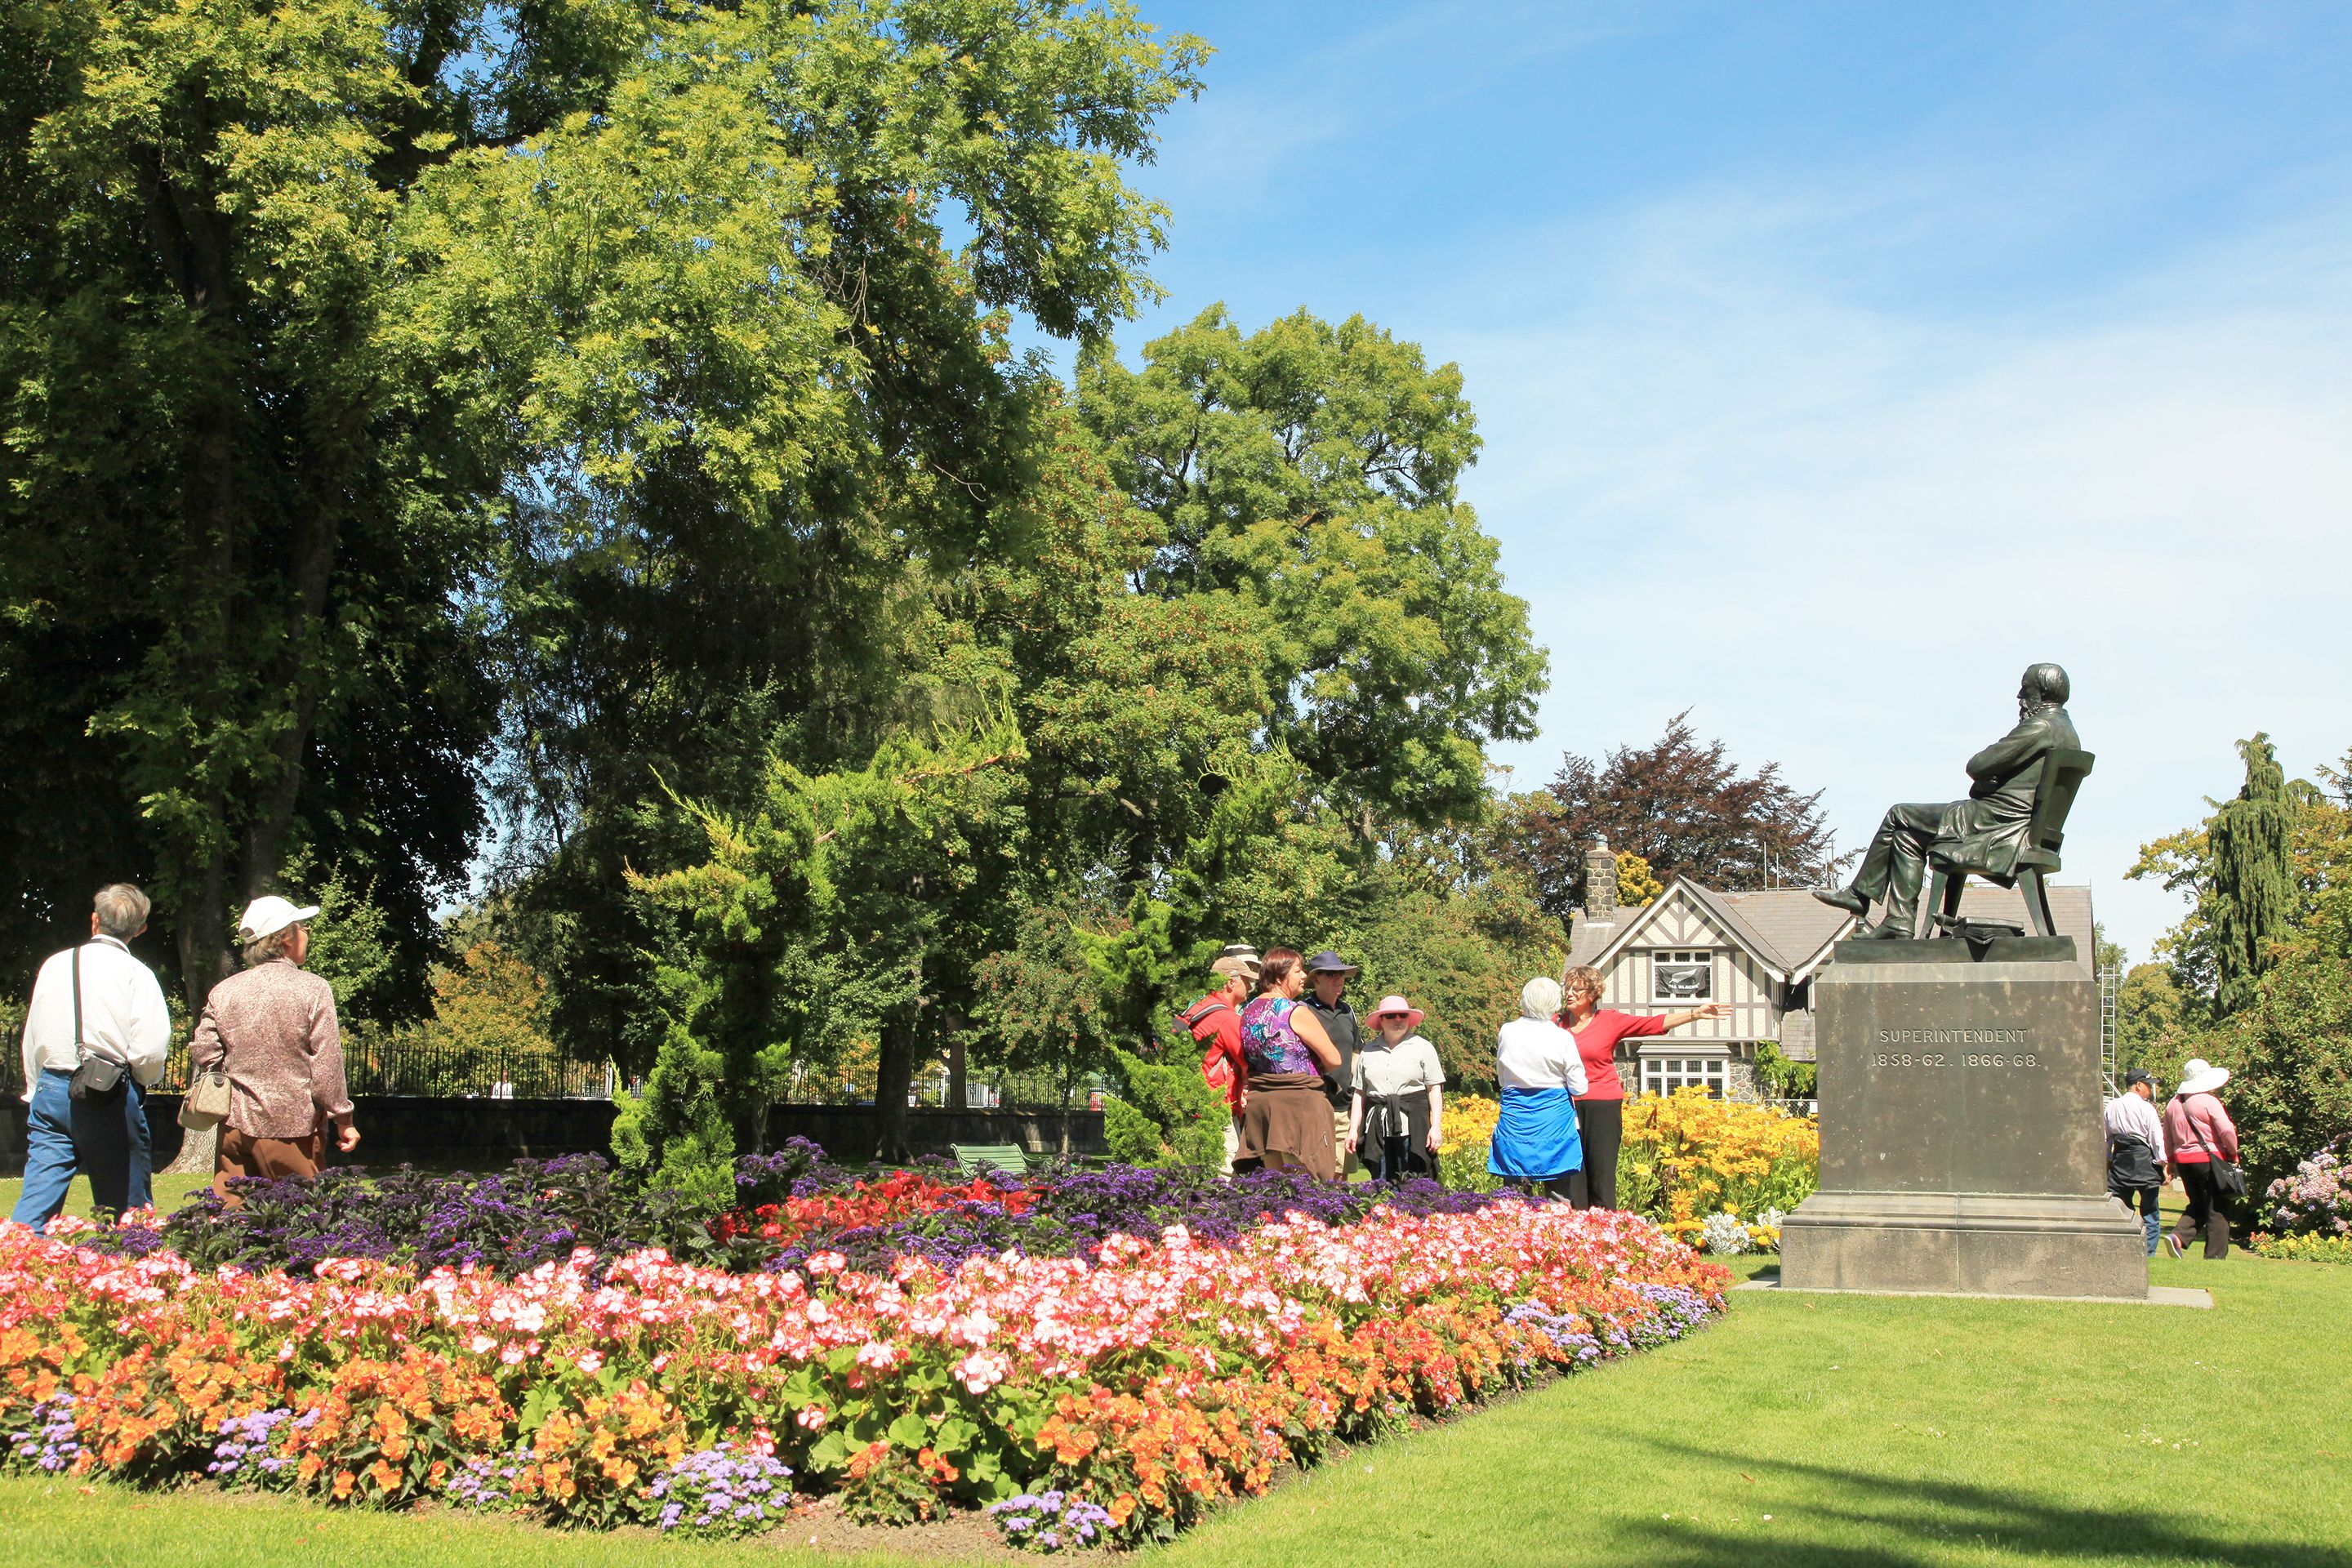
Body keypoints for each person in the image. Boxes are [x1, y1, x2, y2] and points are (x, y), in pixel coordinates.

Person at [1815, 663, 2079, 938]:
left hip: (1995, 822)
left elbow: (1978, 764)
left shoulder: (2040, 727)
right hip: (2009, 819)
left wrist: (1987, 780)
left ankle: (1860, 895)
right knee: (1907, 836)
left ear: (2043, 693)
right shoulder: (2066, 730)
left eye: (2026, 690)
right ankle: (1898, 921)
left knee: (1899, 815)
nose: (2019, 697)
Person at [10, 884, 172, 1224]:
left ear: (95, 920)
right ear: (140, 929)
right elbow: (150, 1050)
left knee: (36, 1202)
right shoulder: (138, 975)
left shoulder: (55, 965)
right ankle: (123, 1268)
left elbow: (34, 1033)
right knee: (125, 1212)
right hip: (109, 1091)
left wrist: (35, 1086)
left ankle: (15, 1266)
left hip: (52, 1088)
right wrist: (139, 1083)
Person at [190, 895, 360, 1199]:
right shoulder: (313, 988)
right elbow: (327, 1066)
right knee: (302, 1223)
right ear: (285, 938)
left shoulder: (225, 990)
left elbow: (204, 1050)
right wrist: (343, 1119)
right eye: (303, 927)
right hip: (291, 1129)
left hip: (234, 1127)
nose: (307, 933)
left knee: (232, 1224)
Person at [1557, 965, 1730, 1210]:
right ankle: (1578, 1235)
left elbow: (1653, 1024)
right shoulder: (1555, 1024)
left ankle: (1606, 1233)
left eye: (1577, 989)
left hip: (1602, 1105)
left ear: (1593, 994)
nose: (1569, 994)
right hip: (1566, 1106)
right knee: (1573, 1174)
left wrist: (1695, 1013)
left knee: (1601, 1175)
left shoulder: (1609, 1021)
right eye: (1567, 988)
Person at [1234, 947, 1343, 1179]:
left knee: (1275, 1183)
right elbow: (1334, 1059)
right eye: (1298, 970)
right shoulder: (1294, 1011)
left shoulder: (1248, 1011)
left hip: (1263, 1108)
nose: (1304, 976)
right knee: (1308, 1183)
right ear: (1280, 975)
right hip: (1298, 1107)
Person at [1489, 978, 1590, 1197]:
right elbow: (1579, 1087)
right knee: (1558, 1195)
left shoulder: (1507, 1031)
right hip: (1554, 1122)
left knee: (1514, 1196)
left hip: (1516, 1117)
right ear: (1555, 1004)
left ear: (1524, 1001)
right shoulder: (1562, 1037)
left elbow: (1502, 1077)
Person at [1348, 995, 1446, 1182]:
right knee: (1381, 1182)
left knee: (1414, 1181)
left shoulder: (1423, 1048)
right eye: (1392, 1015)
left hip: (1413, 1126)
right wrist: (1353, 1129)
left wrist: (1436, 1127)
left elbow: (1435, 1089)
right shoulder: (1368, 1051)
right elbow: (1359, 1093)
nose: (1398, 1020)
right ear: (1381, 1021)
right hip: (1377, 1128)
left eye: (1403, 1015)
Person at [1179, 945, 1258, 1172]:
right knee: (1221, 1180)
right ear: (1230, 982)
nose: (1250, 986)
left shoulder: (1195, 1010)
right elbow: (1249, 1063)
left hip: (1190, 1105)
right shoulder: (1227, 1018)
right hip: (1217, 1109)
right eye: (1246, 979)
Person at [2163, 1058, 2238, 1260]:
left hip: (2183, 1161)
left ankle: (2178, 1236)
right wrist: (2233, 1153)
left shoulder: (2173, 1105)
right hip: (2209, 1159)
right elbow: (2226, 1129)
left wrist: (2171, 1161)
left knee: (2197, 1203)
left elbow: (2167, 1136)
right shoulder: (2208, 1102)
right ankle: (2215, 1256)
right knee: (2218, 1207)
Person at [1300, 951, 1362, 1174]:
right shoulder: (1303, 1010)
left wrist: (1356, 1091)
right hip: (1316, 1104)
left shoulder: (1348, 1011)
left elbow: (1356, 1053)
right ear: (1316, 979)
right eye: (1331, 974)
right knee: (1313, 1172)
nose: (1338, 979)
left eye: (1341, 974)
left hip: (1344, 1107)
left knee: (1340, 1175)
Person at [2102, 1067, 2166, 1256]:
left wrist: (2107, 1161)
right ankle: (2149, 1252)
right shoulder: (2146, 1108)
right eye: (2148, 1085)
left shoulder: (2112, 1106)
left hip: (2121, 1161)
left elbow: (2106, 1137)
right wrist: (2163, 1163)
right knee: (2150, 1211)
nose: (2149, 1089)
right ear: (2138, 1085)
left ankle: (2124, 1250)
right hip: (2144, 1160)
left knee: (2121, 1209)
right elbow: (2156, 1137)